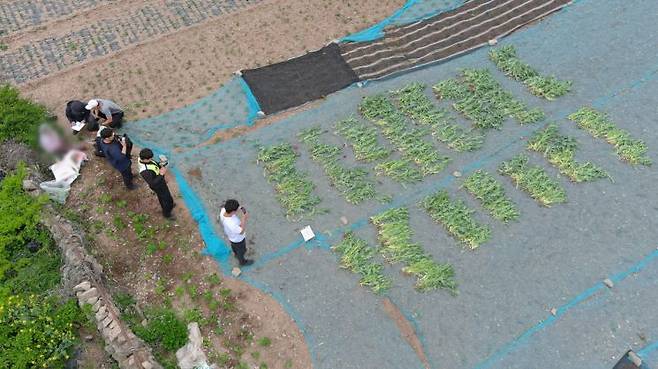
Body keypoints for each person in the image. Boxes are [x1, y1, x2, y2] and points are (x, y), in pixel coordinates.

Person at [138, 148, 175, 218]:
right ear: (145, 159)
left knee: (166, 197)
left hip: (160, 181)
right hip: (158, 186)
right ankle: (167, 214)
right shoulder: (145, 171)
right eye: (150, 158)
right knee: (165, 199)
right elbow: (152, 183)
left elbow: (154, 165)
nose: (151, 159)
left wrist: (160, 164)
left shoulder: (146, 160)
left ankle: (170, 203)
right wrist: (161, 174)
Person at [220, 199, 253, 266]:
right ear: (232, 212)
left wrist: (240, 208)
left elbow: (232, 208)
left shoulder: (223, 211)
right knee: (241, 250)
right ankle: (242, 262)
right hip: (238, 239)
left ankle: (236, 254)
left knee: (234, 246)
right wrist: (244, 218)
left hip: (231, 237)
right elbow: (241, 231)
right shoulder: (231, 223)